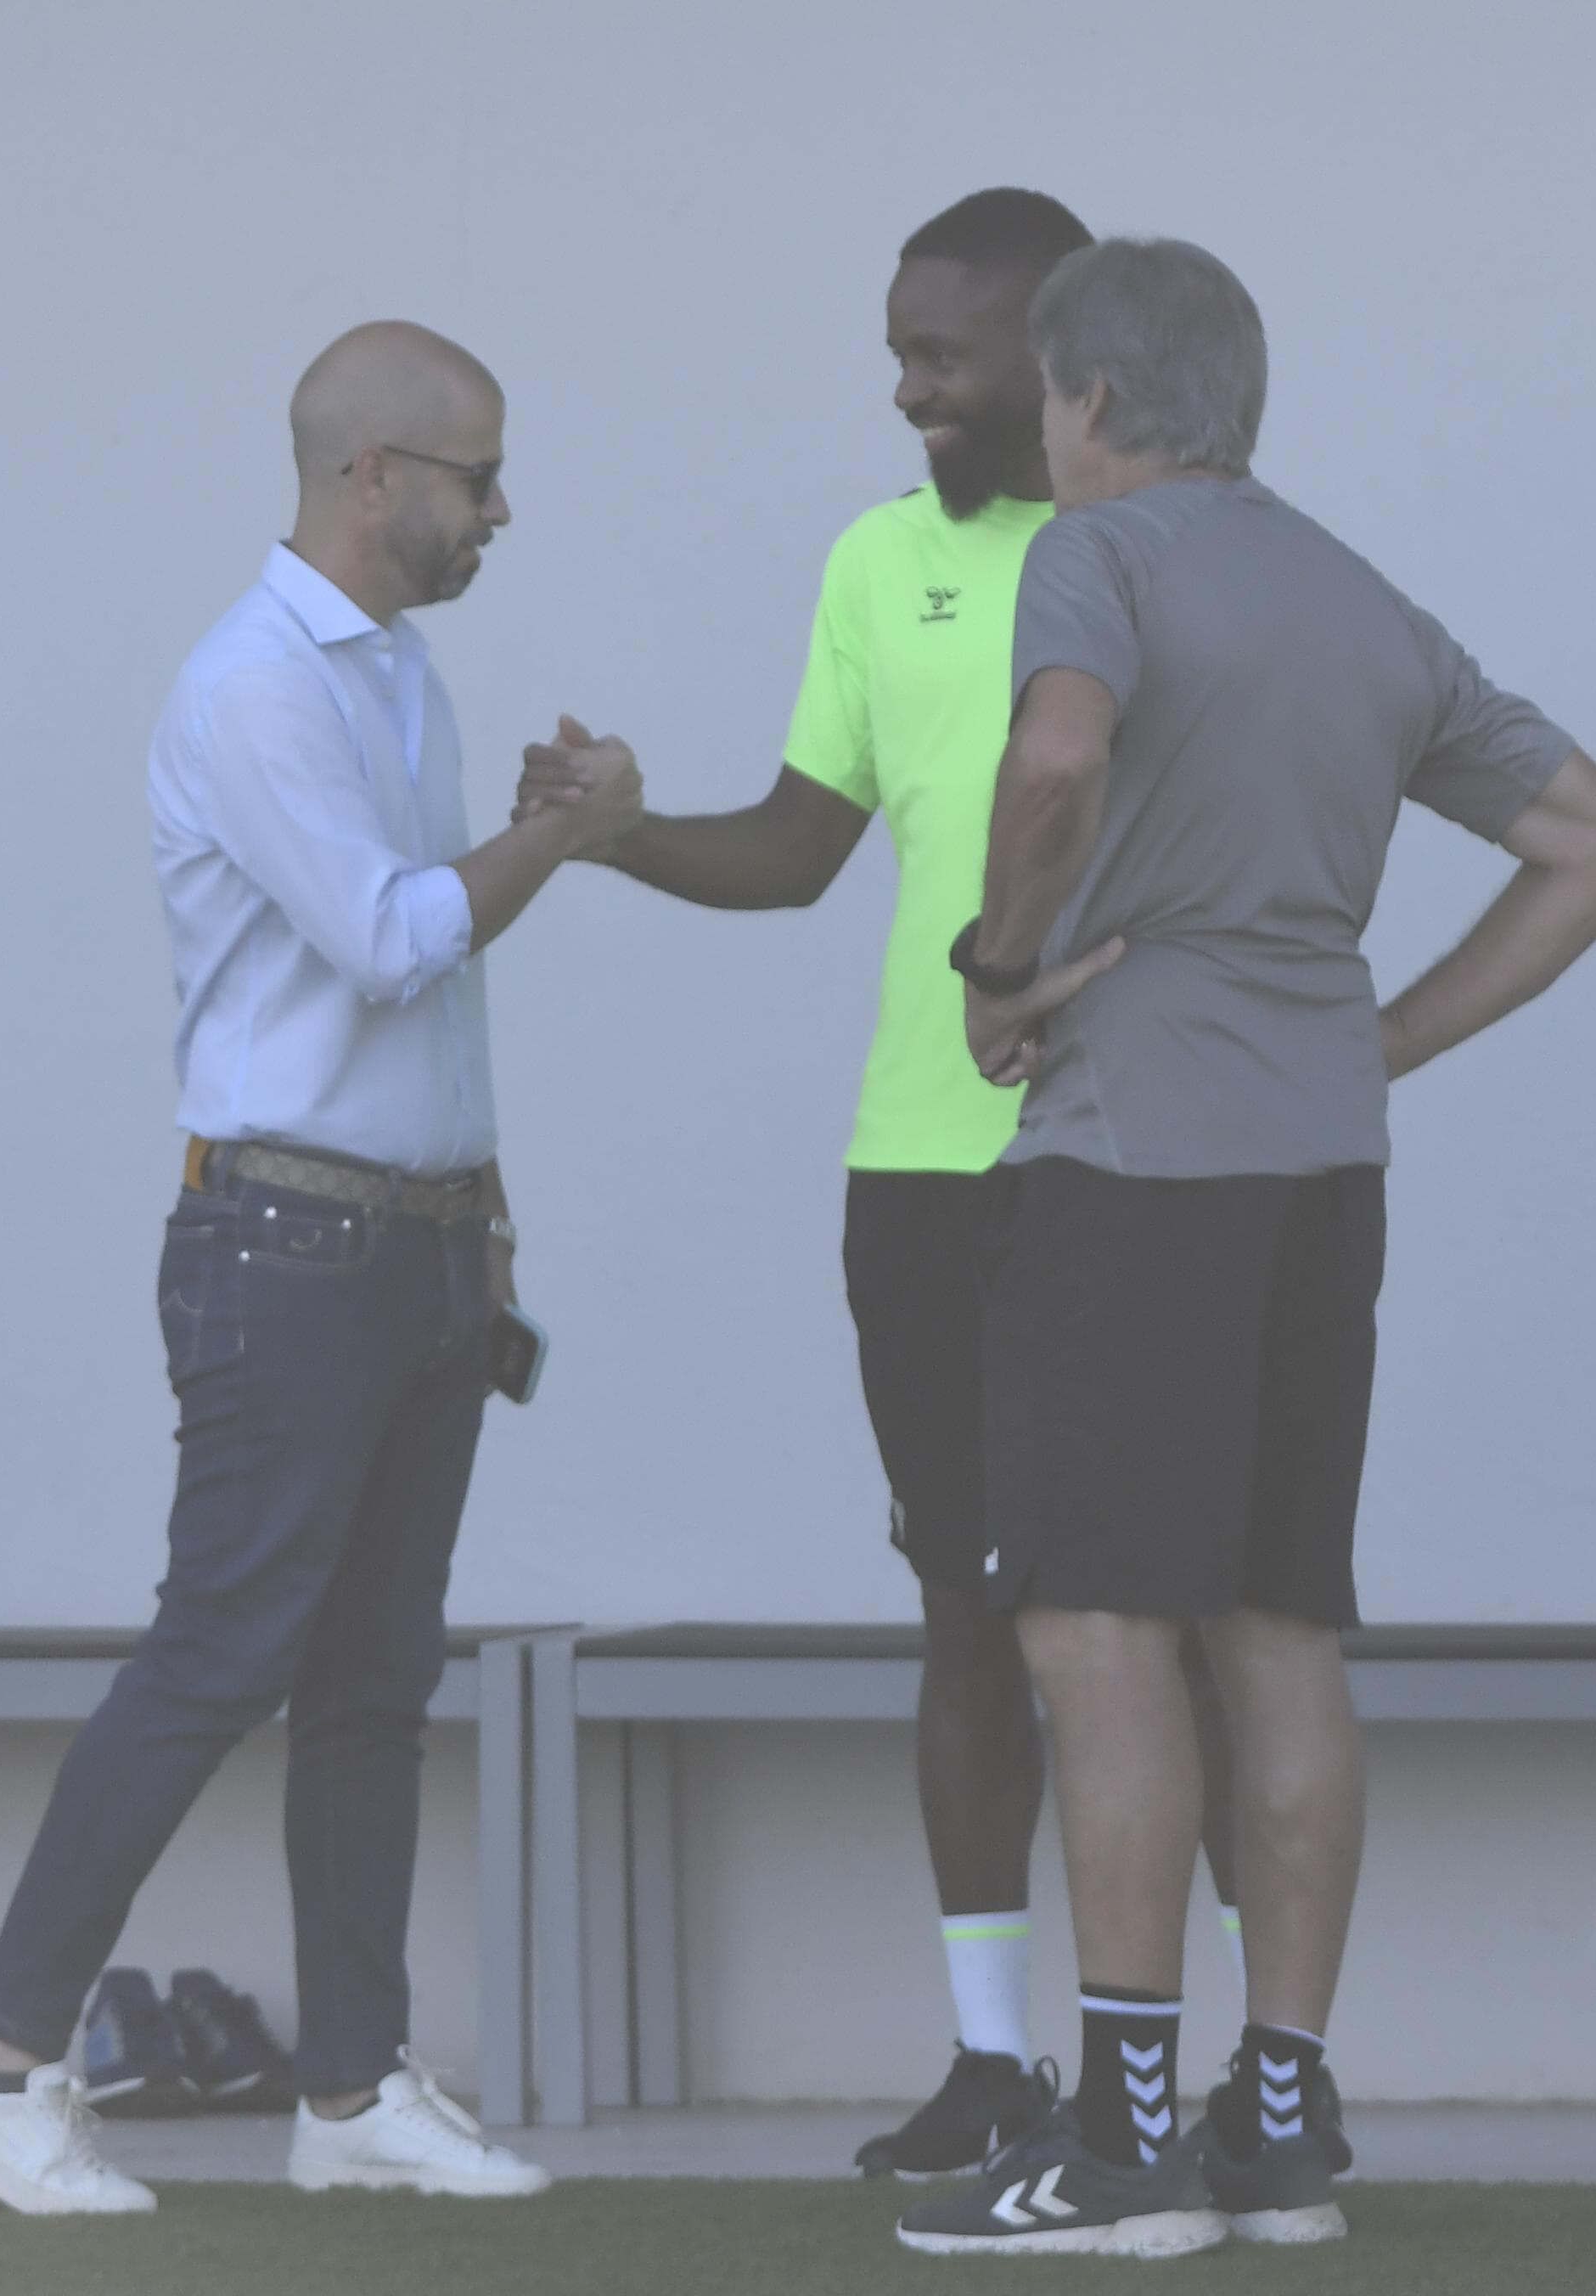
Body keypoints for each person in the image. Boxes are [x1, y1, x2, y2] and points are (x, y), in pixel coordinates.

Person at [896, 239, 1596, 2258]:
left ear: (1089, 398)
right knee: (1278, 1627)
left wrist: (995, 965)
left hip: (1130, 1164)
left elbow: (1057, 755)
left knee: (1095, 1634)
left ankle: (1125, 2139)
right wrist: (1377, 1035)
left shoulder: (1097, 556)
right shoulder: (1359, 597)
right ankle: (1282, 2115)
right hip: (1322, 1170)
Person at [517, 188, 1250, 2177]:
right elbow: (797, 847)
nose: (908, 387)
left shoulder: (1170, 555)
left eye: (944, 353)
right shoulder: (874, 563)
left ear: (1064, 361)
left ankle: (1227, 2073)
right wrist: (613, 832)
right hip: (921, 1173)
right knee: (967, 1611)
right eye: (898, 350)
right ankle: (994, 2060)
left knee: (1172, 1622)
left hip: (1139, 1158)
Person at [0, 322, 641, 2215]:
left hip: (414, 1246)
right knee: (220, 1647)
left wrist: (485, 1218)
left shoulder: (397, 671)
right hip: (286, 1246)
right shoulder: (253, 684)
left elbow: (420, 998)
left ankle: (354, 2088)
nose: (501, 510)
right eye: (476, 475)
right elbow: (393, 940)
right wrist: (559, 836)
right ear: (371, 474)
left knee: (374, 1676)